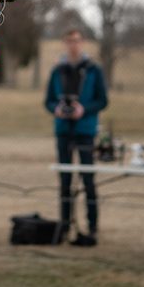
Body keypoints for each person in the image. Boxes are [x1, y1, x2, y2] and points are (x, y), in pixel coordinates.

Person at [44, 28, 108, 245]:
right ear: (65, 43)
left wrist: (84, 109)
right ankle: (64, 226)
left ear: (83, 43)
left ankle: (92, 227)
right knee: (64, 182)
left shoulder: (93, 70)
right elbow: (48, 101)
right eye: (70, 40)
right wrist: (57, 109)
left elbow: (103, 100)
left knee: (88, 180)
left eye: (77, 41)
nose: (74, 44)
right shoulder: (57, 70)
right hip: (63, 130)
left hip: (85, 131)